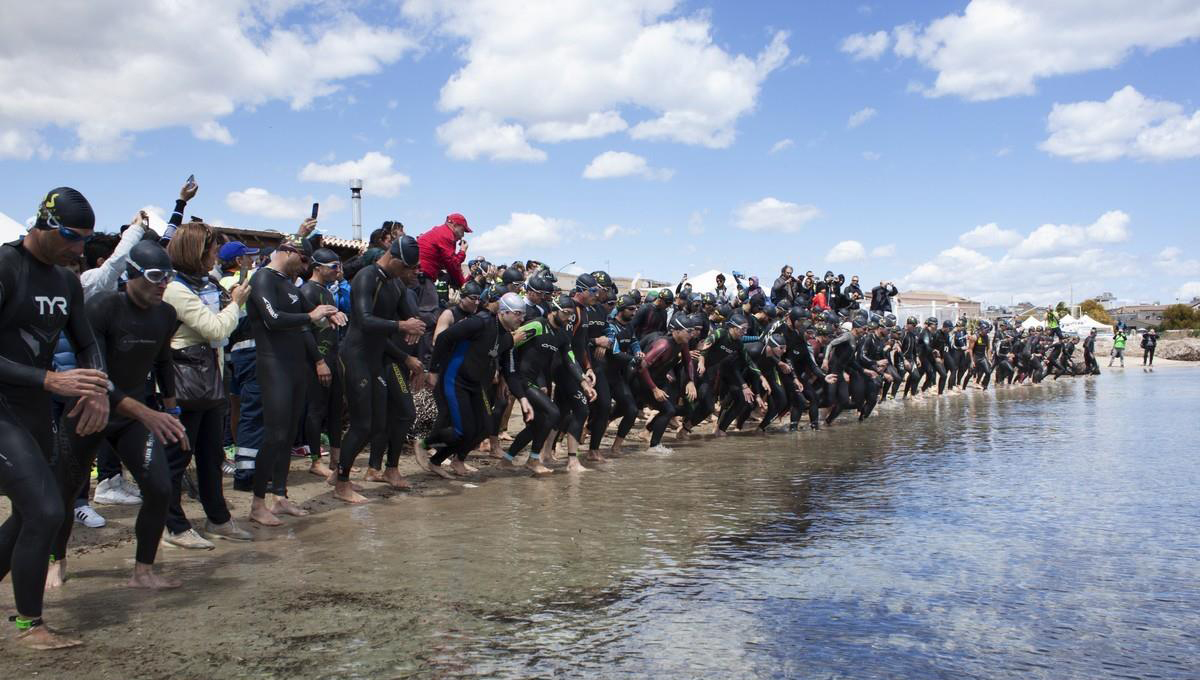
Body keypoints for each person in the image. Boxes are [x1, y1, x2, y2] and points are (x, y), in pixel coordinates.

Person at [0, 187, 108, 649]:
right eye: (70, 236)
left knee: (28, 514)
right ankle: (30, 626)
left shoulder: (65, 282)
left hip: (31, 411)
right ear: (43, 224)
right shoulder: (5, 268)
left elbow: (86, 343)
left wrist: (98, 388)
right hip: (2, 407)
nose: (79, 248)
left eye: (85, 239)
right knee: (46, 510)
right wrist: (49, 381)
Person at [56, 241, 187, 590]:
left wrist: (171, 409)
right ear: (131, 274)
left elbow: (162, 362)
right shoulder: (102, 307)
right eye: (156, 276)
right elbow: (95, 372)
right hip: (90, 408)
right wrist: (148, 412)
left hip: (133, 415)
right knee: (65, 492)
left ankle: (143, 570)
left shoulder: (165, 314)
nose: (163, 284)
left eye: (168, 277)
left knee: (159, 488)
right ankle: (57, 559)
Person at [163, 221, 253, 548]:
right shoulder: (174, 287)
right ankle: (172, 526)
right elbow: (215, 329)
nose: (216, 257)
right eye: (212, 251)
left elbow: (223, 329)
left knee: (211, 454)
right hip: (182, 384)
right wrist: (236, 304)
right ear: (196, 252)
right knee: (176, 458)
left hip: (210, 379)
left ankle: (218, 518)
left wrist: (230, 310)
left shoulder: (207, 282)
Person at [244, 241, 344, 526]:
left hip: (295, 366)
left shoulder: (288, 284)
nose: (304, 266)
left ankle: (280, 496)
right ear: (286, 252)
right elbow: (273, 318)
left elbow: (306, 322)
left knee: (287, 436)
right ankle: (257, 504)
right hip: (273, 365)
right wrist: (311, 315)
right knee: (274, 434)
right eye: (302, 259)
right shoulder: (262, 277)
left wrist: (326, 315)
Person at [335, 236, 426, 503]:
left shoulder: (394, 283)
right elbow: (363, 320)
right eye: (408, 268)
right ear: (395, 259)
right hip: (355, 356)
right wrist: (401, 327)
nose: (411, 273)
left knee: (376, 423)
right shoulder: (367, 277)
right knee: (362, 425)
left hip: (375, 359)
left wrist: (415, 327)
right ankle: (341, 484)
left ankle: (343, 474)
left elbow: (408, 314)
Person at [417, 292, 528, 477]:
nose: (521, 318)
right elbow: (444, 338)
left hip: (476, 385)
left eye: (523, 314)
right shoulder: (481, 322)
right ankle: (424, 445)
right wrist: (434, 370)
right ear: (504, 312)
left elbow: (510, 371)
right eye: (517, 313)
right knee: (462, 430)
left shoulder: (508, 337)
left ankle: (445, 461)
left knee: (485, 428)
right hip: (455, 379)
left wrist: (523, 398)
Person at [300, 248, 345, 478]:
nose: (337, 271)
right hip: (315, 360)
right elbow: (304, 331)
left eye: (338, 266)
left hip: (332, 357)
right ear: (317, 267)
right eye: (333, 267)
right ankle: (315, 460)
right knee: (316, 410)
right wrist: (319, 362)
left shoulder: (327, 292)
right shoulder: (307, 291)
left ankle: (336, 461)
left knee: (336, 409)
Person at [415, 213, 470, 337]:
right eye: (463, 230)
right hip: (423, 278)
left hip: (420, 276)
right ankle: (425, 353)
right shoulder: (446, 236)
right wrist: (462, 252)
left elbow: (449, 263)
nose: (463, 234)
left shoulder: (440, 232)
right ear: (455, 225)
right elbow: (452, 265)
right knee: (428, 317)